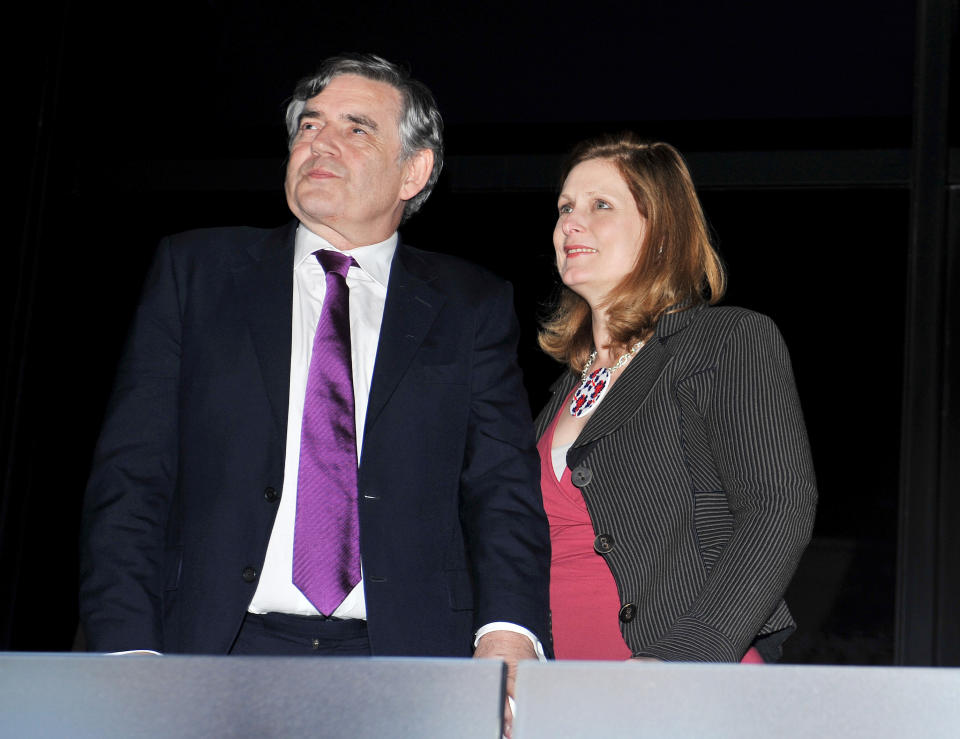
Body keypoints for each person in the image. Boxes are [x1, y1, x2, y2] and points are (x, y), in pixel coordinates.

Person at [79, 53, 550, 685]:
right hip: (208, 653)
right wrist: (126, 652)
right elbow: (131, 479)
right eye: (308, 124)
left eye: (356, 128)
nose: (319, 140)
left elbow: (501, 493)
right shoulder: (196, 273)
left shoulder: (472, 306)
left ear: (414, 170)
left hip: (407, 665)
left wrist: (509, 634)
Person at [536, 134, 817, 662]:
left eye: (601, 206)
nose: (571, 222)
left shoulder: (726, 340)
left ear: (661, 232)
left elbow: (778, 510)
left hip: (677, 675)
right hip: (557, 682)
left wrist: (685, 662)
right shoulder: (562, 389)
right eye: (565, 207)